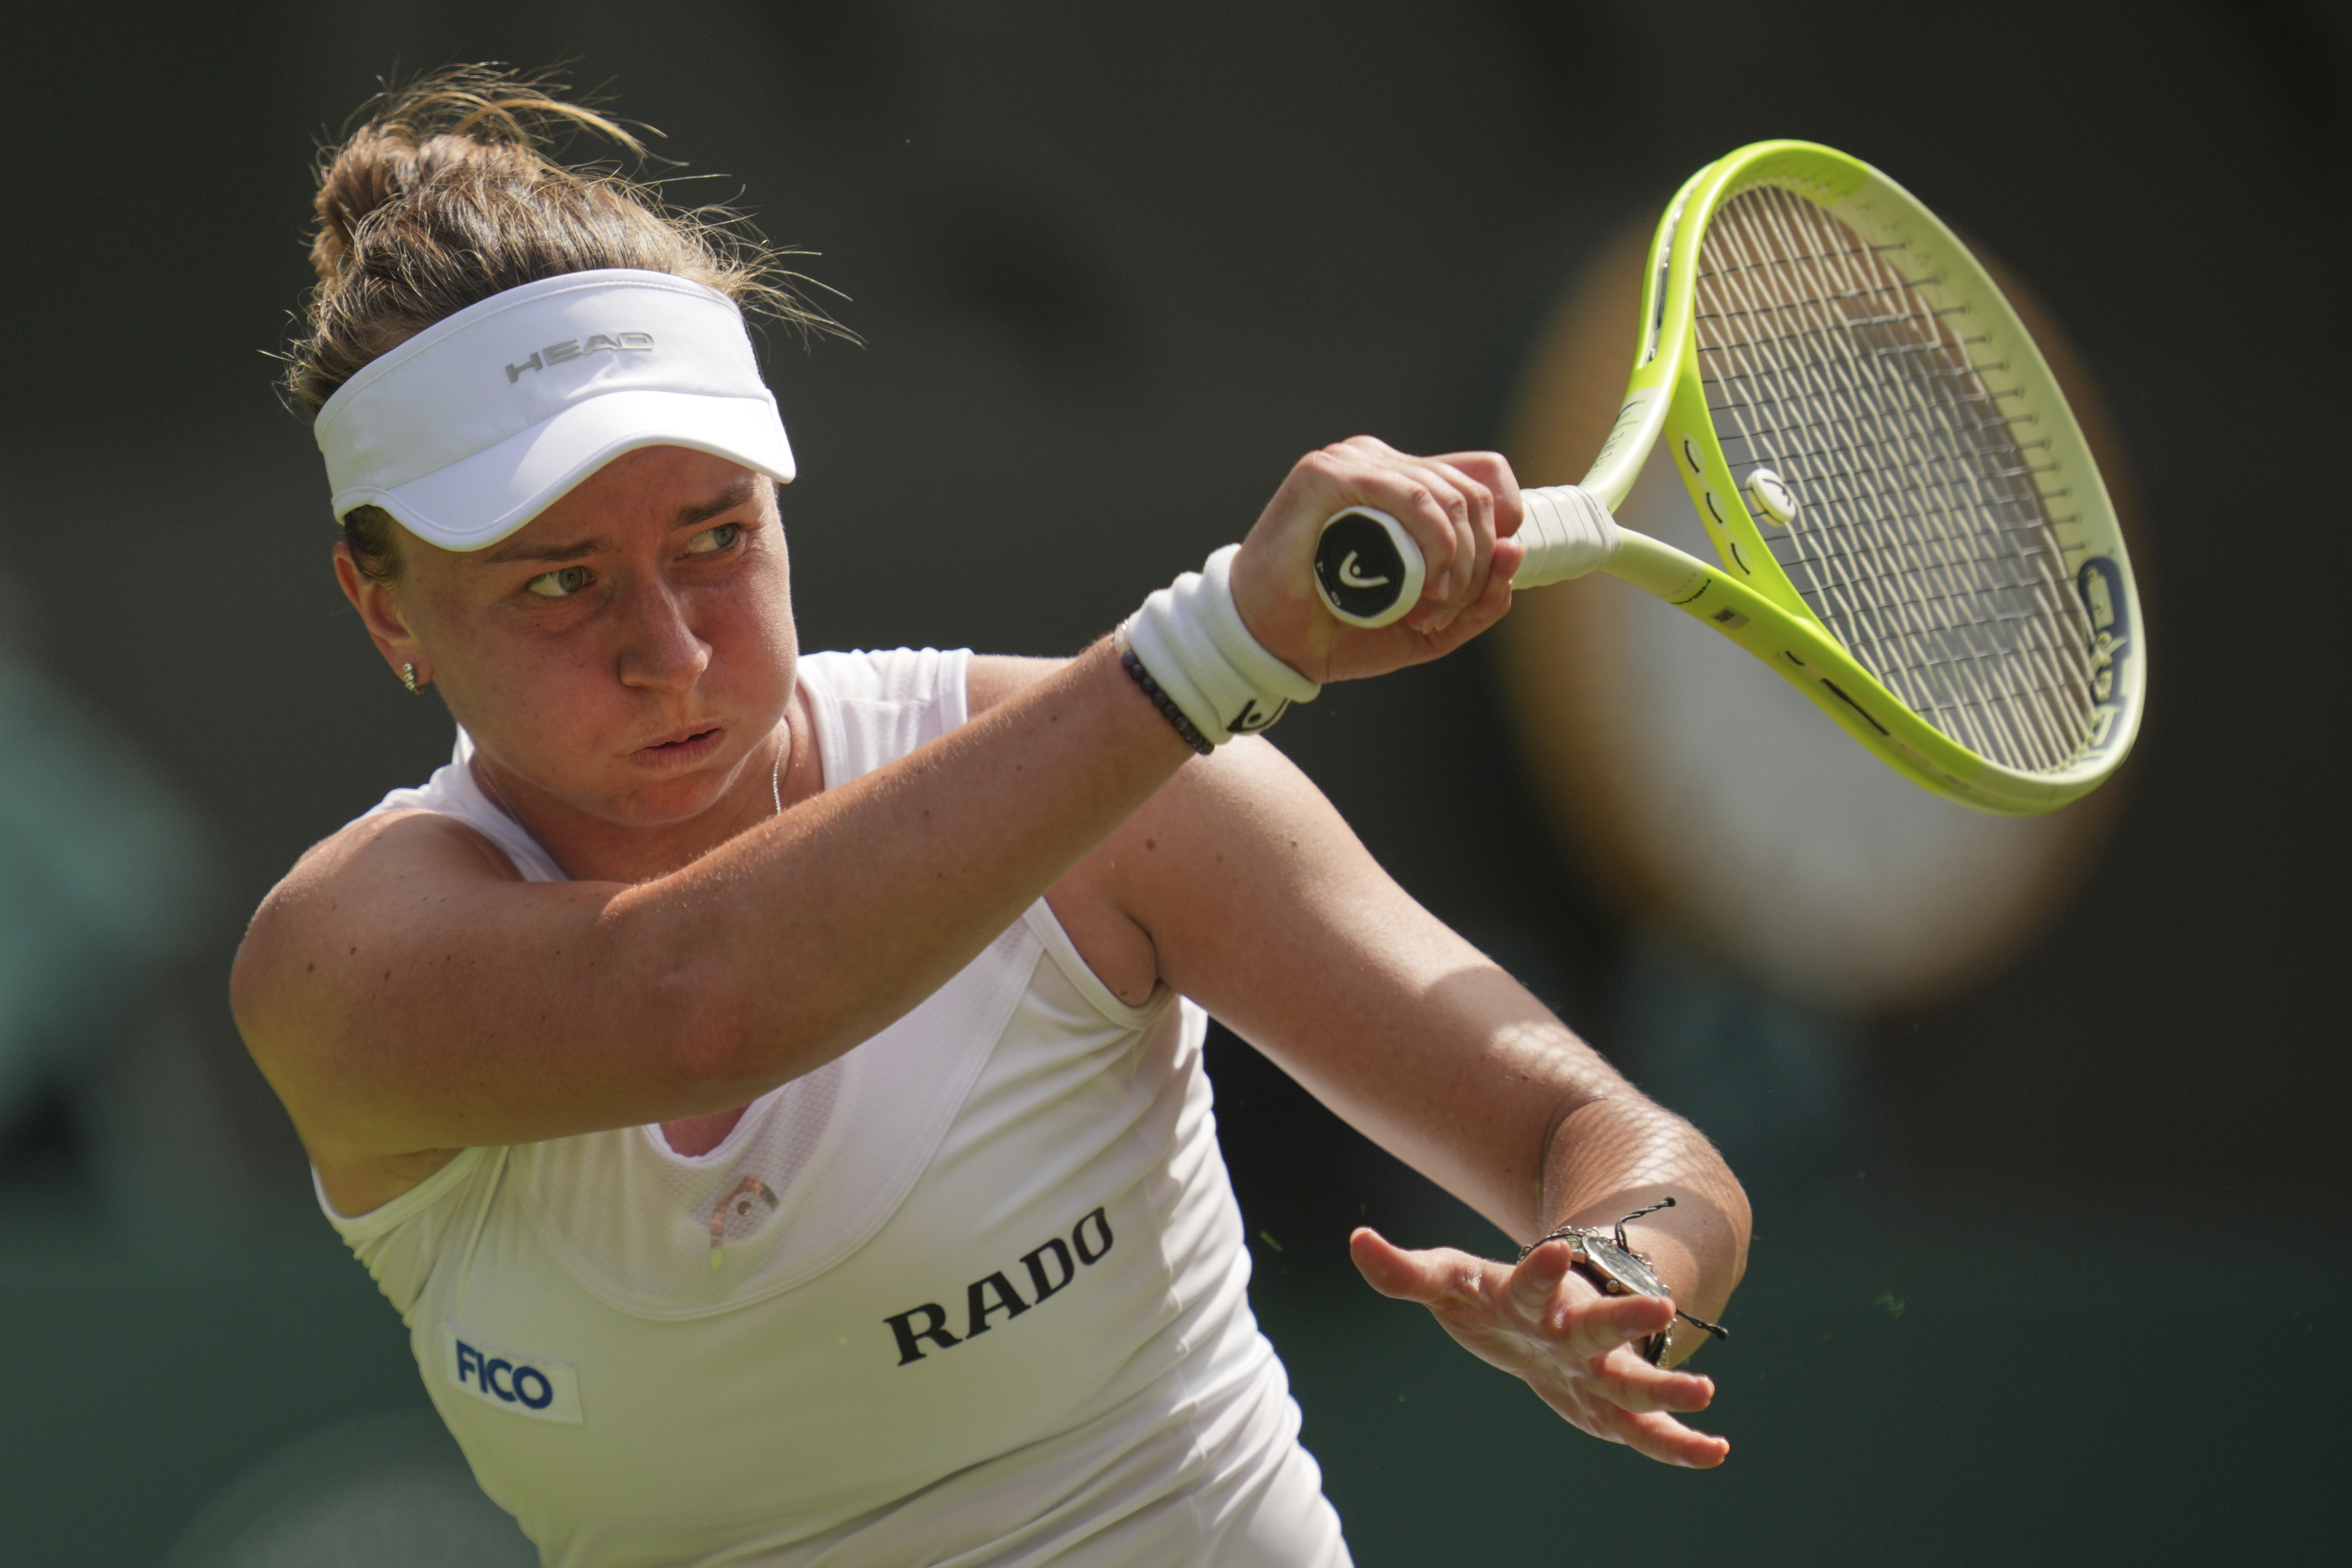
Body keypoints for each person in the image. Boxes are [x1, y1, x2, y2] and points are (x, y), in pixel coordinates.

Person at [232, 68, 1750, 1568]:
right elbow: (702, 999)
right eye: (559, 580)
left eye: (717, 538)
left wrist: (1612, 1269)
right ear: (387, 609)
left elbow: (1616, 1139)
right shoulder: (338, 961)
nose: (673, 651)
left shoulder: (1131, 806)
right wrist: (1218, 647)